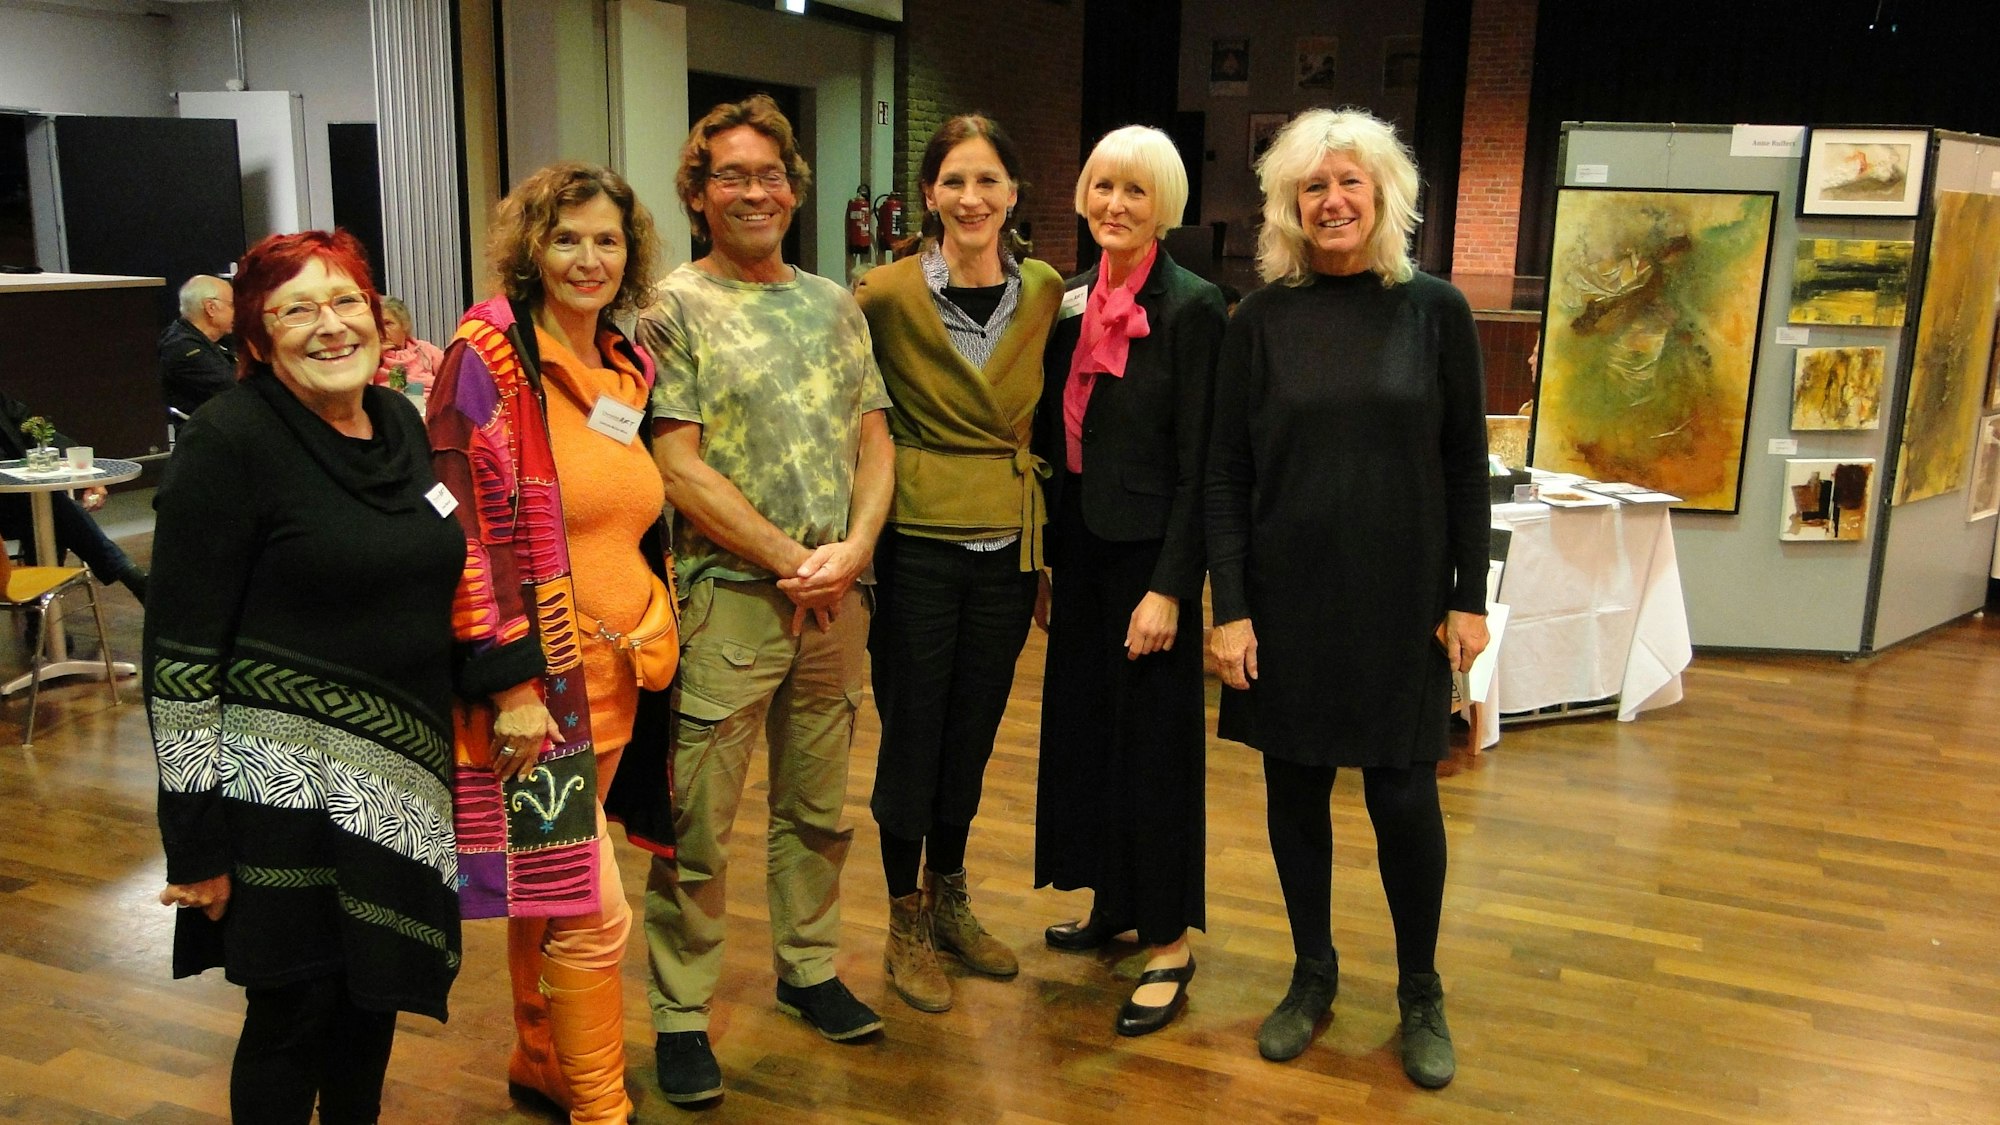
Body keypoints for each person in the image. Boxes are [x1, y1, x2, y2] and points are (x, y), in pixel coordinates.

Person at [145, 229, 464, 1121]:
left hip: (397, 783)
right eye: (297, 308)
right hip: (279, 793)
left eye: (347, 301)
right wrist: (196, 843)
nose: (330, 325)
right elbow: (178, 660)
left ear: (377, 316)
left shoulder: (397, 420)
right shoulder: (229, 441)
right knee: (294, 1011)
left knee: (373, 1000)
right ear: (254, 335)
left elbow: (432, 576)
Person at [1205, 109, 1489, 1089]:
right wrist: (1229, 607)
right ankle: (1310, 974)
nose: (1331, 201)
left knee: (1403, 797)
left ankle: (1419, 990)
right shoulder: (1259, 322)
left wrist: (1467, 596)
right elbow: (1225, 475)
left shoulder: (1435, 312)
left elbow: (1464, 467)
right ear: (1287, 207)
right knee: (1295, 794)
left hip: (1400, 599)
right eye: (1311, 188)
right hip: (1285, 602)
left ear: (1383, 197)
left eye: (1348, 184)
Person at [636, 94, 893, 1105]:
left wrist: (855, 548)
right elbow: (676, 464)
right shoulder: (668, 307)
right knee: (699, 820)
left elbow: (873, 439)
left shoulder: (834, 304)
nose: (756, 191)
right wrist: (797, 555)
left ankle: (808, 970)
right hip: (724, 599)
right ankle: (681, 1015)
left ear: (795, 188)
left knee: (817, 807)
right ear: (698, 196)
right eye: (730, 176)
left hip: (836, 600)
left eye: (770, 174)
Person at [427, 161, 670, 1125]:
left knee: (549, 895)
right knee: (592, 908)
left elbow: (625, 512)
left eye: (606, 238)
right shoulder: (484, 360)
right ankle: (600, 1106)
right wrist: (508, 681)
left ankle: (542, 1058)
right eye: (566, 237)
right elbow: (460, 527)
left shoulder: (624, 361)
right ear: (528, 246)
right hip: (540, 695)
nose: (587, 257)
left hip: (622, 677)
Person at [851, 113, 1061, 1014]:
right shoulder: (884, 293)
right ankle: (903, 914)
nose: (971, 199)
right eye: (954, 182)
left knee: (972, 733)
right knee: (914, 735)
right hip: (917, 547)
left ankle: (950, 894)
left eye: (989, 182)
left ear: (1014, 195)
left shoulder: (1047, 289)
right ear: (928, 194)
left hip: (1007, 545)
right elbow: (848, 406)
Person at [1034, 125, 1226, 1036]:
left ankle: (1168, 941)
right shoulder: (1071, 298)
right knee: (1088, 730)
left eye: (1136, 193)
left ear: (1166, 207)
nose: (1115, 204)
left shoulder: (1194, 307)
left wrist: (1171, 587)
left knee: (1154, 747)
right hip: (1081, 548)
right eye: (1103, 186)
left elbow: (1203, 466)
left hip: (1148, 560)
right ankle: (1113, 899)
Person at [0, 391, 146, 601]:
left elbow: (36, 430)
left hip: (20, 505)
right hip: (11, 507)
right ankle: (129, 574)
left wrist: (84, 467)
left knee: (49, 515)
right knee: (52, 510)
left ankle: (40, 622)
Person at [157, 273, 237, 416]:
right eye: (232, 305)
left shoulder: (205, 337)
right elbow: (233, 387)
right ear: (210, 308)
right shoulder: (183, 348)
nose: (237, 312)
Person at [374, 296, 444, 397]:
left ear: (404, 325)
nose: (382, 330)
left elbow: (451, 376)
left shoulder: (424, 350)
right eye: (377, 324)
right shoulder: (370, 356)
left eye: (388, 323)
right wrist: (375, 356)